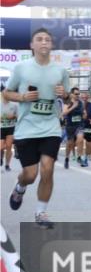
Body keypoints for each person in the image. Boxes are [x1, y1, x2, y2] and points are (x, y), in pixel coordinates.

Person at [3, 28, 70, 229]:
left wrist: (64, 94)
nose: (43, 42)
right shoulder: (21, 68)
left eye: (47, 39)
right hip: (26, 128)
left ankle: (41, 212)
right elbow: (7, 93)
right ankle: (20, 186)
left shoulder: (60, 71)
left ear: (51, 45)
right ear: (32, 45)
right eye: (39, 39)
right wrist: (22, 97)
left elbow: (67, 97)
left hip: (50, 127)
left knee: (48, 169)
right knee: (30, 175)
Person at [2, 90, 17, 171]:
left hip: (11, 127)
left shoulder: (14, 104)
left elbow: (18, 115)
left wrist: (13, 116)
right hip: (1, 127)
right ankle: (1, 156)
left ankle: (7, 165)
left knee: (9, 147)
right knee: (1, 147)